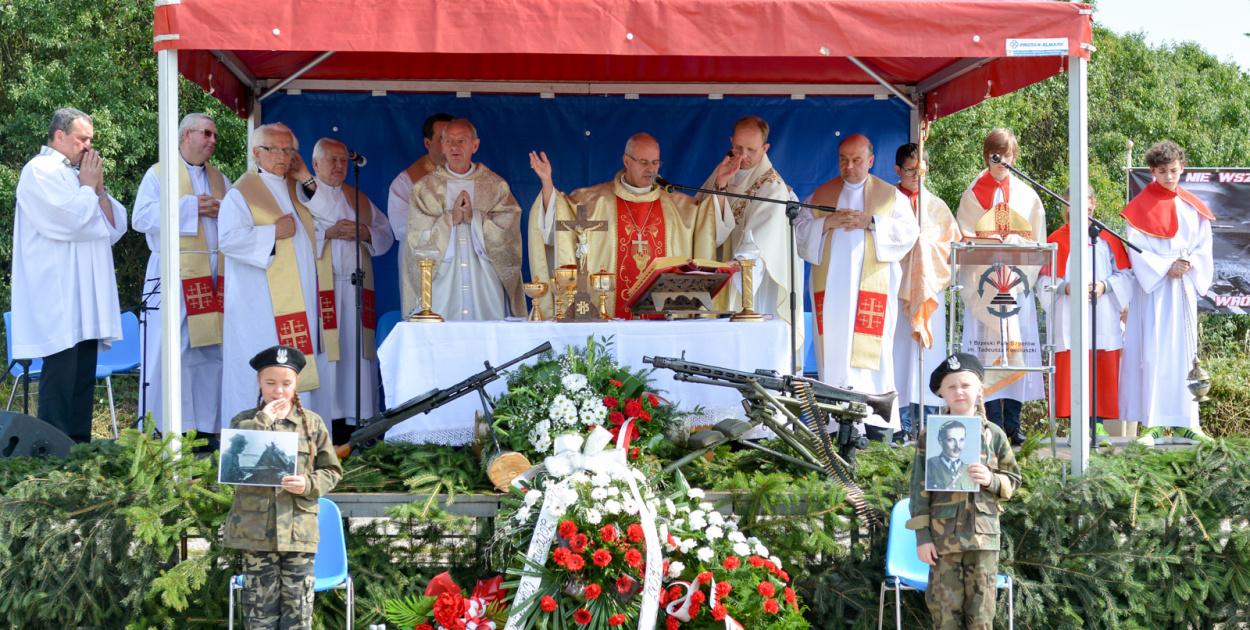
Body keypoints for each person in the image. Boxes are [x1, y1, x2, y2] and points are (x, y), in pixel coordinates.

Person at [12, 107, 127, 443]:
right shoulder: (39, 170)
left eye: (91, 140)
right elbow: (69, 220)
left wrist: (99, 189)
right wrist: (87, 188)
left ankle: (79, 451)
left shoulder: (79, 177)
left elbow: (114, 228)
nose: (88, 147)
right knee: (61, 376)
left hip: (86, 295)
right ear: (59, 135)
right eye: (82, 139)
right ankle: (52, 452)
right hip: (58, 293)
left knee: (82, 377)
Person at [528, 133, 736, 319]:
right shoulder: (593, 201)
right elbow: (559, 219)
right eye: (643, 162)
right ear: (626, 161)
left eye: (655, 162)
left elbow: (709, 229)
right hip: (607, 318)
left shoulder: (680, 207)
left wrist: (721, 185)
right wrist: (547, 182)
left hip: (664, 321)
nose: (651, 169)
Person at [796, 134, 919, 441]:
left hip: (872, 292)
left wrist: (872, 221)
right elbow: (798, 231)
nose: (848, 166)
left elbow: (909, 233)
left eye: (856, 160)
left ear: (871, 161)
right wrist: (827, 223)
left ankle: (877, 424)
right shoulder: (821, 195)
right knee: (835, 351)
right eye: (843, 159)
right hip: (832, 293)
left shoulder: (891, 197)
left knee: (873, 355)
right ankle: (836, 425)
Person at [218, 122, 332, 423]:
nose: (284, 156)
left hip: (299, 298)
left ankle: (303, 432)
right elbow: (227, 241)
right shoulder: (242, 193)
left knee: (297, 361)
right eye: (275, 150)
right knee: (264, 360)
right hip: (259, 304)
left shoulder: (296, 187)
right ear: (257, 153)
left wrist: (305, 175)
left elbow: (330, 214)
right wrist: (272, 233)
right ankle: (255, 430)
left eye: (289, 150)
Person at [223, 344, 342, 630]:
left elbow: (332, 471)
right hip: (256, 532)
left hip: (299, 530)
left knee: (298, 612)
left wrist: (308, 483)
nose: (278, 391)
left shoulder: (312, 423)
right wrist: (263, 420)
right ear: (259, 383)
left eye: (286, 384)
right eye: (270, 383)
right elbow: (231, 462)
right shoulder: (244, 421)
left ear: (296, 383)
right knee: (258, 613)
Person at [133, 113, 230, 445]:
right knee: (170, 348)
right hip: (174, 274)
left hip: (212, 276)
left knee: (210, 352)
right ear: (186, 135)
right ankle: (162, 426)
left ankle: (205, 426)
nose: (213, 140)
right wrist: (191, 207)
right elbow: (141, 217)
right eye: (207, 133)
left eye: (214, 135)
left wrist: (221, 210)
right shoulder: (159, 173)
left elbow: (237, 218)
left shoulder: (220, 179)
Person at [908, 352, 1021, 630]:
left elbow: (1014, 481)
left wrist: (991, 479)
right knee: (944, 615)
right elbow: (918, 491)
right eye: (951, 386)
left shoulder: (993, 434)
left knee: (981, 617)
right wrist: (923, 538)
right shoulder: (929, 436)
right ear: (941, 393)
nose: (959, 391)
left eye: (966, 385)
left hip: (983, 541)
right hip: (943, 542)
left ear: (980, 388)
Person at [298, 138, 395, 444]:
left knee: (354, 352)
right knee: (326, 353)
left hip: (354, 287)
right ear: (315, 164)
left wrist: (365, 233)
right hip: (320, 287)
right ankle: (323, 421)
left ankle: (357, 420)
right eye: (332, 160)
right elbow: (292, 236)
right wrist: (327, 233)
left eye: (343, 160)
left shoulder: (357, 197)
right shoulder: (301, 195)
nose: (340, 165)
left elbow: (386, 234)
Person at [955, 128, 1047, 446]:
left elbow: (1038, 240)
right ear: (987, 156)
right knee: (986, 351)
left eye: (1008, 156)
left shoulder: (1027, 195)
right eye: (997, 155)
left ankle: (1013, 422)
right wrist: (987, 242)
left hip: (1014, 285)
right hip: (984, 287)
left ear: (1014, 157)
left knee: (1015, 349)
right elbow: (964, 238)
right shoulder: (973, 194)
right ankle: (992, 419)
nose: (1002, 161)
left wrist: (1016, 242)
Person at [1119, 141, 1215, 446]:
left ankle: (1187, 424)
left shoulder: (1192, 206)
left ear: (1182, 168)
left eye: (1173, 170)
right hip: (1155, 290)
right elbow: (1136, 250)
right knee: (1154, 353)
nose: (1169, 177)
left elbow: (1204, 247)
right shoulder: (1140, 207)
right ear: (1152, 171)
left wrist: (1190, 263)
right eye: (1162, 171)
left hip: (1183, 286)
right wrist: (1164, 267)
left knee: (1185, 354)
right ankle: (1154, 425)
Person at [695, 116, 803, 352]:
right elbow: (700, 217)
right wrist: (720, 185)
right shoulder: (722, 170)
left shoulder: (772, 186)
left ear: (765, 148)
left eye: (751, 150)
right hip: (717, 270)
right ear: (731, 141)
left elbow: (762, 239)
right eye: (738, 147)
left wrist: (740, 262)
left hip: (748, 280)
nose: (742, 156)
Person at [1039, 187, 1134, 448]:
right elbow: (1044, 281)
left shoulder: (1107, 237)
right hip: (1069, 315)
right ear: (1066, 206)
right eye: (1075, 203)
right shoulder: (1057, 239)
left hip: (1102, 314)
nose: (1083, 207)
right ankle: (1077, 426)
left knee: (1101, 366)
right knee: (1073, 368)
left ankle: (1098, 425)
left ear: (1094, 204)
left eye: (1087, 201)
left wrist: (1105, 286)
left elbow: (1126, 275)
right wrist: (1068, 288)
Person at [402, 118, 524, 320]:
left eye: (462, 141)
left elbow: (508, 232)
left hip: (484, 278)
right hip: (442, 278)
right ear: (442, 146)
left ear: (475, 145)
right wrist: (451, 218)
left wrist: (474, 218)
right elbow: (417, 237)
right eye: (449, 141)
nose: (454, 147)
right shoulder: (425, 188)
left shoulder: (495, 186)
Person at [891, 143, 961, 442]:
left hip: (929, 291)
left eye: (920, 170)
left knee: (927, 357)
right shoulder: (886, 201)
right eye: (909, 170)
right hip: (896, 290)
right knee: (898, 355)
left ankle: (928, 424)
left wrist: (924, 249)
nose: (915, 176)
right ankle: (898, 422)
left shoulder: (937, 207)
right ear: (898, 170)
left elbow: (952, 248)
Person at [388, 112, 454, 277]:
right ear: (427, 143)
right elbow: (401, 226)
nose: (449, 144)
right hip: (424, 262)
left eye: (452, 139)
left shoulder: (470, 177)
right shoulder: (407, 181)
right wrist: (449, 222)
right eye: (442, 138)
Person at [926, 419, 977, 492]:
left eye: (961, 440)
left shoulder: (970, 469)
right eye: (951, 440)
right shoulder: (930, 466)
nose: (957, 446)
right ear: (940, 441)